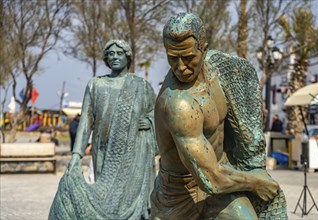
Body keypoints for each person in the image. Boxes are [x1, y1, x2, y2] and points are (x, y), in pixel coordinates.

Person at [151, 13, 287, 219]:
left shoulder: (220, 72)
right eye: (173, 58)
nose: (180, 67)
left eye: (188, 58)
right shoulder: (178, 104)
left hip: (221, 185)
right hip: (179, 196)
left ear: (204, 50)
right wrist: (255, 182)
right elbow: (210, 178)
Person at [49, 40, 157, 220]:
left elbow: (157, 113)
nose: (114, 57)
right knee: (104, 198)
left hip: (134, 155)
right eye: (111, 54)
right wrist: (77, 155)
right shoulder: (95, 85)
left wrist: (149, 121)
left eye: (119, 53)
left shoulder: (142, 86)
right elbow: (85, 122)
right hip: (104, 152)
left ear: (127, 57)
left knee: (130, 198)